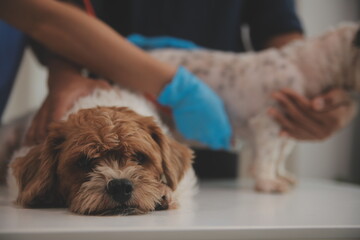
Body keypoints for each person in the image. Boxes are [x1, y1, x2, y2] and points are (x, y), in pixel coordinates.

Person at [0, 0, 356, 151]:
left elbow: (280, 27)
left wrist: (317, 98)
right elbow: (45, 11)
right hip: (101, 107)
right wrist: (66, 75)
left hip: (214, 130)